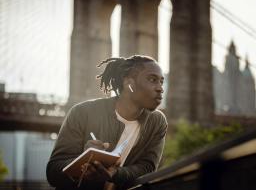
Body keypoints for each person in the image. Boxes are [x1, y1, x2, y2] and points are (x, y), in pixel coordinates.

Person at [46, 55, 168, 190]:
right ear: (129, 84)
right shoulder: (82, 112)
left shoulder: (157, 122)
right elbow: (53, 173)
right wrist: (83, 161)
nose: (160, 88)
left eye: (161, 82)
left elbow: (148, 167)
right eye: (152, 80)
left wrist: (115, 173)